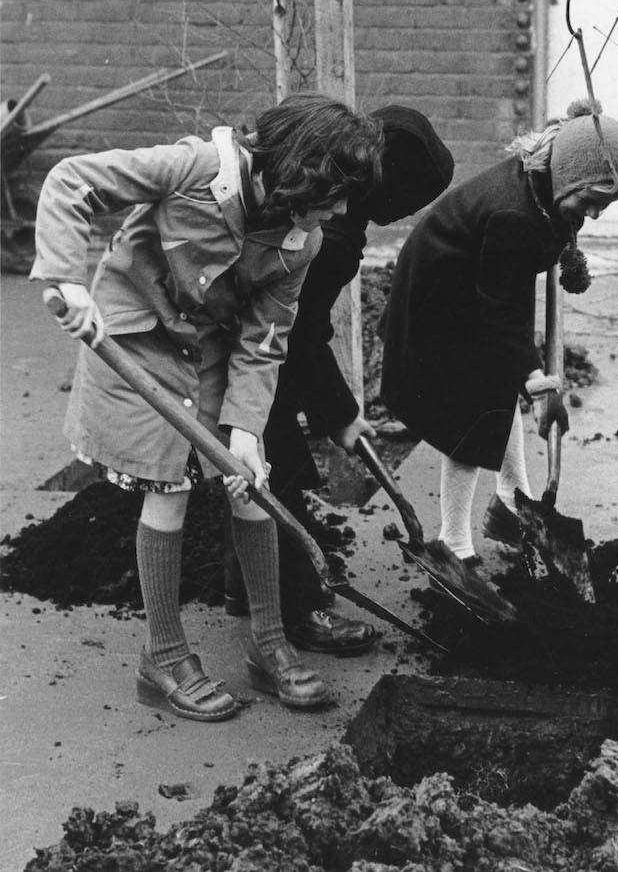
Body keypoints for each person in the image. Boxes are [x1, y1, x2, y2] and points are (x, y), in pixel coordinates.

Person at [31, 93, 384, 721]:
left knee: (249, 480)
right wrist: (66, 278)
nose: (341, 209)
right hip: (135, 338)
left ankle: (269, 643)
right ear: (302, 170)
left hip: (209, 349)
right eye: (335, 192)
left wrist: (247, 428)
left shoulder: (303, 240)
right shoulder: (193, 167)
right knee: (167, 485)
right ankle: (163, 658)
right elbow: (71, 180)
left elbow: (265, 339)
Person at [225, 105, 455, 653]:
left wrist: (339, 415)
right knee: (277, 473)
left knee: (249, 467)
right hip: (257, 355)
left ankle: (241, 589)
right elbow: (300, 336)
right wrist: (341, 414)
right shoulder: (334, 235)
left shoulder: (316, 196)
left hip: (236, 340)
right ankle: (301, 611)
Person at [380, 99, 618, 562]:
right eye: (591, 201)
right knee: (469, 420)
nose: (595, 214)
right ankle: (454, 543)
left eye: (606, 204)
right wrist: (540, 384)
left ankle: (513, 502)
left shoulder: (546, 178)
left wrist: (567, 247)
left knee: (497, 394)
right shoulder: (515, 216)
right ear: (570, 176)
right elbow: (502, 314)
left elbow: (508, 295)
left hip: (472, 290)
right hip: (440, 304)